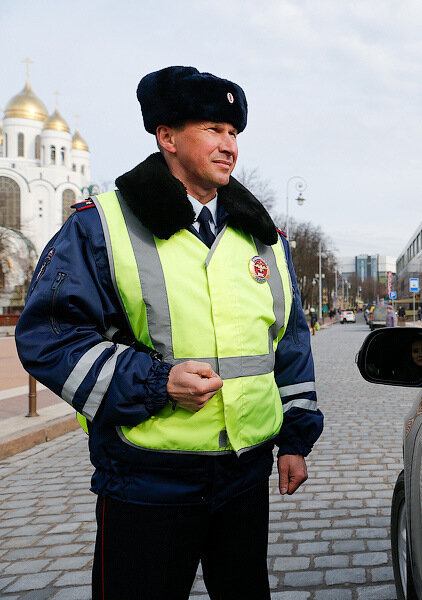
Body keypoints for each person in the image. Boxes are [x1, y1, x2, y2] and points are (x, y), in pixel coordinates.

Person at [15, 66, 322, 600]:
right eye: (212, 129)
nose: (228, 145)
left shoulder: (265, 236)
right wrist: (157, 382)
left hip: (246, 475)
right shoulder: (100, 224)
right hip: (147, 479)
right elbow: (49, 337)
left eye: (233, 133)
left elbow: (288, 341)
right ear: (167, 137)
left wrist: (294, 441)